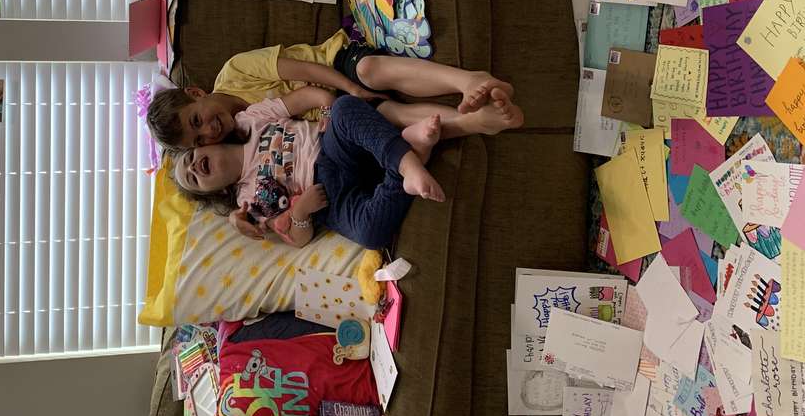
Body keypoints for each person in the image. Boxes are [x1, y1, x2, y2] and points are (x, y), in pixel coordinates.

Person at [147, 30, 523, 152]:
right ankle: (476, 120)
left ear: (197, 93)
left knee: (371, 70)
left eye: (197, 120)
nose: (209, 131)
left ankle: (467, 81)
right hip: (333, 118)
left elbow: (305, 69)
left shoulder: (235, 70)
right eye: (198, 140)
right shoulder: (241, 141)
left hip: (334, 66)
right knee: (386, 117)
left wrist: (349, 88)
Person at [172, 89, 443, 251]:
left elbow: (305, 97)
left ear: (208, 144)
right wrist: (301, 212)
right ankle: (404, 163)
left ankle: (407, 162)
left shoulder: (249, 121)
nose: (194, 168)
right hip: (327, 198)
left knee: (344, 108)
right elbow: (298, 240)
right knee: (369, 235)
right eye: (193, 179)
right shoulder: (248, 203)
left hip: (330, 147)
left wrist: (326, 108)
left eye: (190, 159)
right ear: (215, 190)